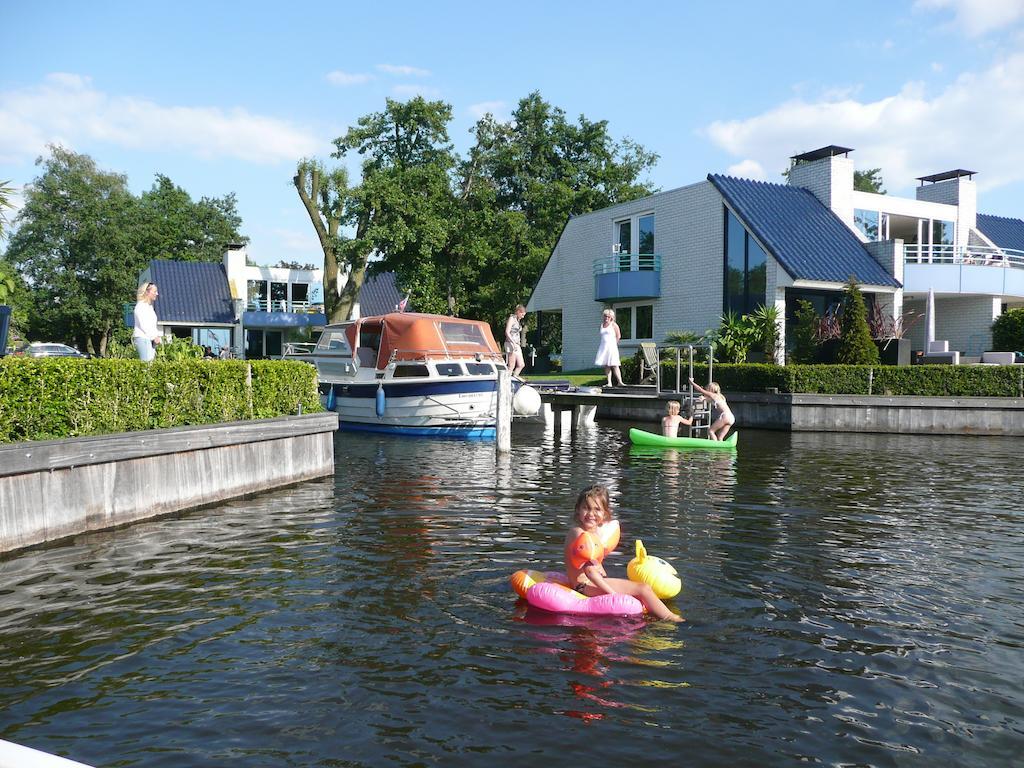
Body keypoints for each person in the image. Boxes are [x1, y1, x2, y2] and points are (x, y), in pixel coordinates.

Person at [565, 484, 683, 622]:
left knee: (638, 589)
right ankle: (671, 618)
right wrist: (613, 595)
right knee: (643, 589)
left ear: (605, 514)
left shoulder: (585, 532)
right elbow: (590, 572)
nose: (591, 514)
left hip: (587, 583)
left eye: (597, 509)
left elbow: (591, 565)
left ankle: (655, 615)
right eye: (586, 508)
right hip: (584, 586)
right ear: (578, 510)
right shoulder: (580, 534)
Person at [132, 282, 162, 362]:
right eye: (154, 291)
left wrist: (156, 336)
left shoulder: (149, 307)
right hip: (143, 338)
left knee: (150, 364)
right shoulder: (141, 307)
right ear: (147, 292)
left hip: (150, 339)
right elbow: (144, 325)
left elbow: (152, 325)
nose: (157, 294)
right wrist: (154, 337)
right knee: (146, 364)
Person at [595, 309, 624, 387]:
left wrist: (614, 344)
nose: (606, 318)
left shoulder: (614, 325)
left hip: (612, 347)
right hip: (604, 347)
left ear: (611, 317)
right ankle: (609, 382)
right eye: (605, 316)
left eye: (608, 316)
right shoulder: (602, 325)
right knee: (606, 365)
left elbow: (618, 336)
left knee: (615, 364)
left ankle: (620, 382)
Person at [504, 304, 527, 377]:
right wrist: (513, 343)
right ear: (518, 312)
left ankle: (514, 378)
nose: (523, 317)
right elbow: (507, 332)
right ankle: (507, 380)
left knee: (521, 364)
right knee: (511, 365)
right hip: (511, 343)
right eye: (522, 315)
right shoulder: (512, 318)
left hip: (517, 344)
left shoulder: (518, 321)